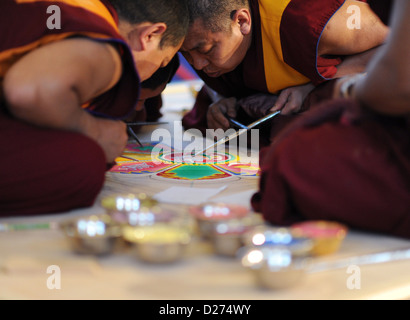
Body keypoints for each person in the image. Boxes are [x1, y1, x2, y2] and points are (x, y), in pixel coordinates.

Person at [0, 0, 188, 216]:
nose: (156, 71)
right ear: (150, 35)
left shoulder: (80, 9)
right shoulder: (104, 44)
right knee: (83, 160)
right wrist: (96, 131)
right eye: (163, 62)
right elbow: (30, 92)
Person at [251, 0, 410, 239]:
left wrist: (350, 88)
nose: (199, 63)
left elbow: (399, 80)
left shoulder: (314, 24)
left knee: (294, 155)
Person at [180, 0, 390, 144]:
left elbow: (400, 40)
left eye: (205, 50)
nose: (197, 64)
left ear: (242, 21)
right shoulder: (197, 37)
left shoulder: (312, 25)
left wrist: (315, 82)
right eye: (185, 54)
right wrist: (220, 97)